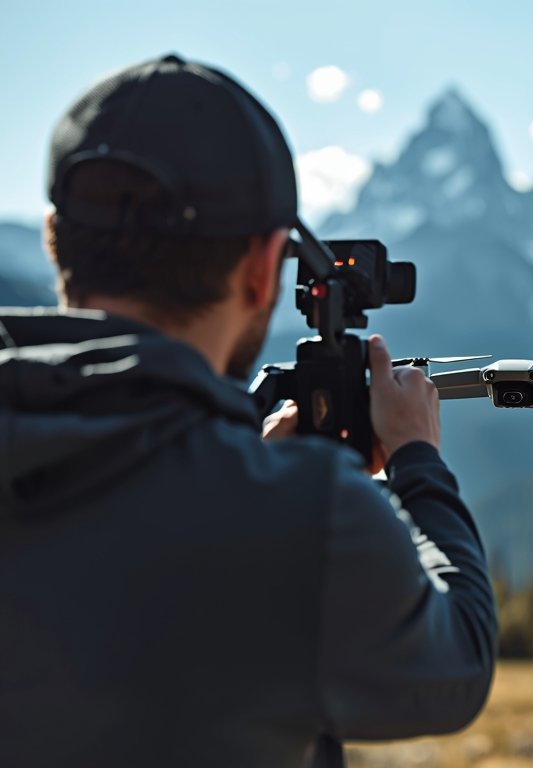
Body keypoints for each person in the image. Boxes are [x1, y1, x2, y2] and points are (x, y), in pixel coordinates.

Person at [0, 54, 497, 767]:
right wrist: (416, 460)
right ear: (265, 270)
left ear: (55, 236)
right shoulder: (303, 520)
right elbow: (458, 665)